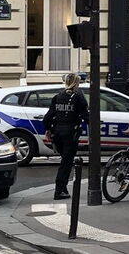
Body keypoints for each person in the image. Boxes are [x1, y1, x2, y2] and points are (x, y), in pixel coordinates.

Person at [43, 72, 89, 200]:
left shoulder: (58, 96)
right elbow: (85, 116)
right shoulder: (78, 97)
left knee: (65, 161)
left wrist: (48, 129)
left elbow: (47, 118)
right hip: (70, 134)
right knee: (66, 163)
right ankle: (59, 190)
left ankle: (62, 188)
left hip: (57, 133)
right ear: (77, 83)